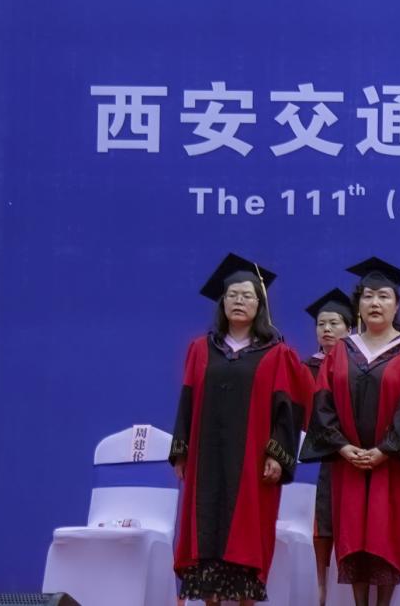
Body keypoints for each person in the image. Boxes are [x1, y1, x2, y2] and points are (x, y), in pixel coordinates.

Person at [170, 254, 314, 606]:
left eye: (247, 295)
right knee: (206, 529)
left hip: (252, 463)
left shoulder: (276, 354)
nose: (239, 301)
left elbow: (288, 410)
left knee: (247, 534)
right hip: (206, 460)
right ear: (222, 302)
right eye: (232, 295)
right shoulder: (201, 349)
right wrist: (181, 451)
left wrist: (277, 454)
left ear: (259, 304)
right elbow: (187, 401)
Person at [301, 258, 400, 606]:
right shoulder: (341, 352)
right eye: (367, 296)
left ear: (396, 306)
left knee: (385, 536)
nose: (375, 303)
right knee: (353, 538)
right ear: (358, 305)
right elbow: (323, 403)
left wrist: (385, 449)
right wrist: (342, 447)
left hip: (392, 465)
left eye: (383, 296)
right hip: (348, 463)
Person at [303, 287, 355, 604]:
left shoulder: (358, 367)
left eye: (334, 323)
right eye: (321, 324)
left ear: (349, 328)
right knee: (320, 521)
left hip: (349, 455)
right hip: (318, 455)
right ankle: (319, 588)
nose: (327, 329)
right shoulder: (306, 367)